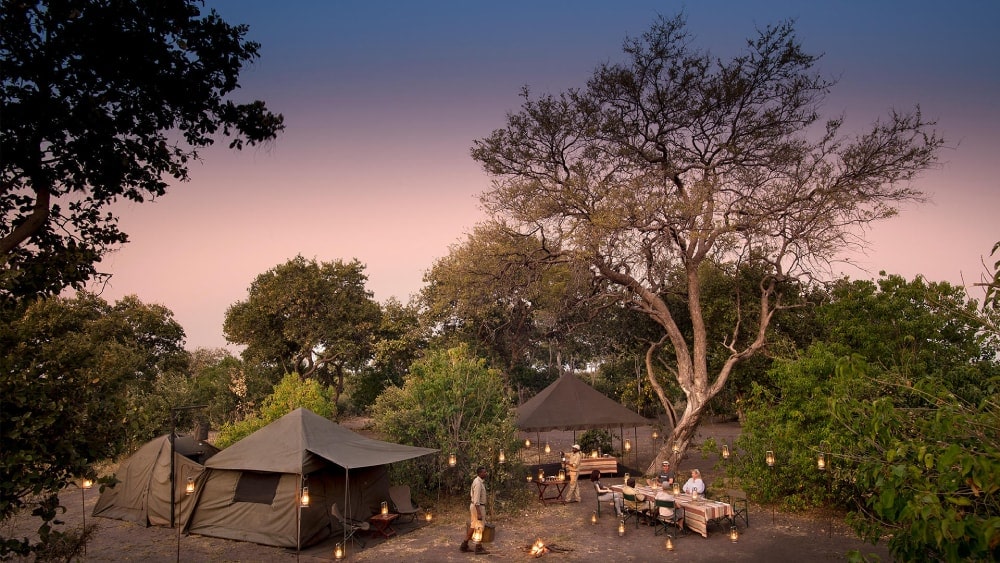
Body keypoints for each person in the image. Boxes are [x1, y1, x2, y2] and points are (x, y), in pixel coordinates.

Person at [460, 466, 489, 554]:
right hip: (478, 507)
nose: (485, 473)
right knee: (479, 527)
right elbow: (476, 500)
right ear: (479, 473)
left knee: (473, 526)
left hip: (476, 506)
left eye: (485, 472)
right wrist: (479, 513)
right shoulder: (478, 483)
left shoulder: (478, 481)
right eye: (484, 472)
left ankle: (464, 545)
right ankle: (478, 547)